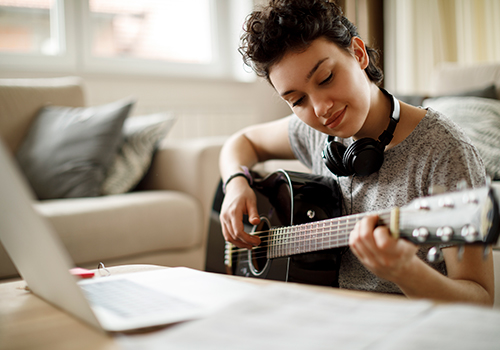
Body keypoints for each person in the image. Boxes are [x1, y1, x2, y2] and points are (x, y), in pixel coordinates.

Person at [219, 0, 494, 305]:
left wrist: (406, 272)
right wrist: (235, 183)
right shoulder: (313, 133)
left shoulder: (444, 152)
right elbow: (242, 141)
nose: (321, 109)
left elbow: (479, 300)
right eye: (297, 101)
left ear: (359, 53)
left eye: (326, 78)